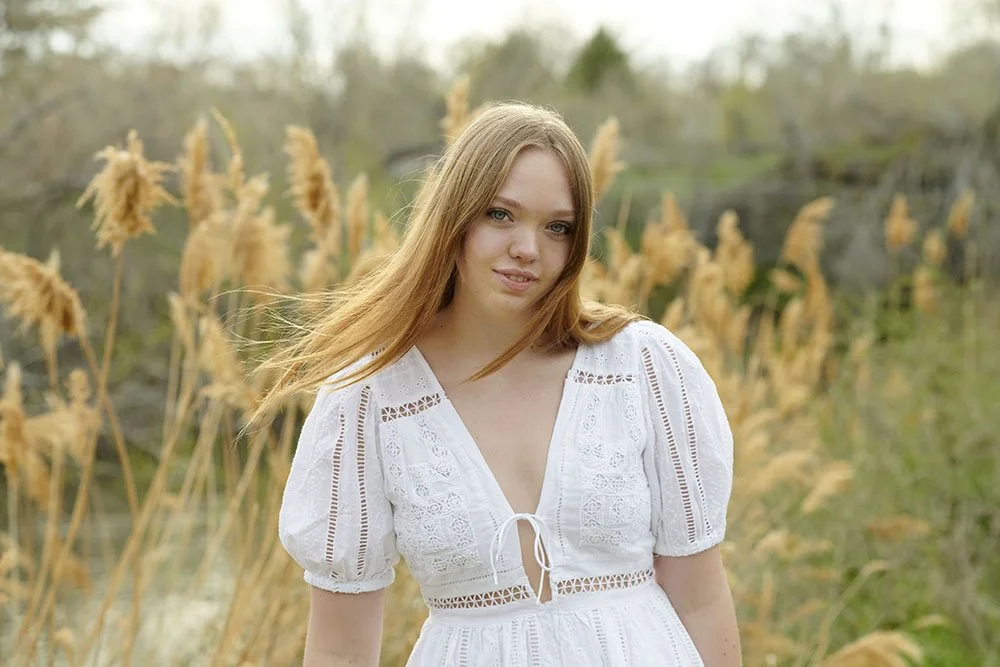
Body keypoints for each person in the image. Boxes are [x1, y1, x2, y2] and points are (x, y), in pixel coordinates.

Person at [254, 101, 740, 666]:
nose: (528, 249)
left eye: (557, 227)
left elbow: (701, 598)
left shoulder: (644, 368)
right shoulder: (368, 398)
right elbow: (340, 651)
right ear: (454, 217)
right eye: (501, 215)